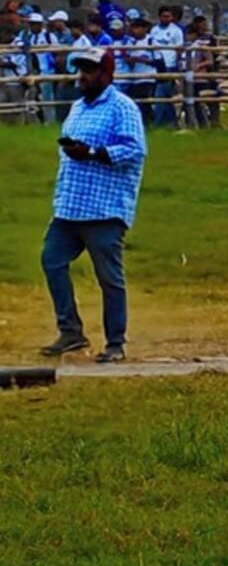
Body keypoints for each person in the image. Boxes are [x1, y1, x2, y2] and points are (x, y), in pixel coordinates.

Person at [40, 51, 147, 363]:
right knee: (51, 261)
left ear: (106, 73)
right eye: (80, 70)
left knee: (109, 278)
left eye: (89, 70)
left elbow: (134, 150)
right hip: (70, 205)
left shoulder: (122, 107)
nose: (82, 76)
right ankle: (71, 330)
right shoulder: (77, 107)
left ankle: (115, 343)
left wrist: (93, 153)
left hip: (104, 208)